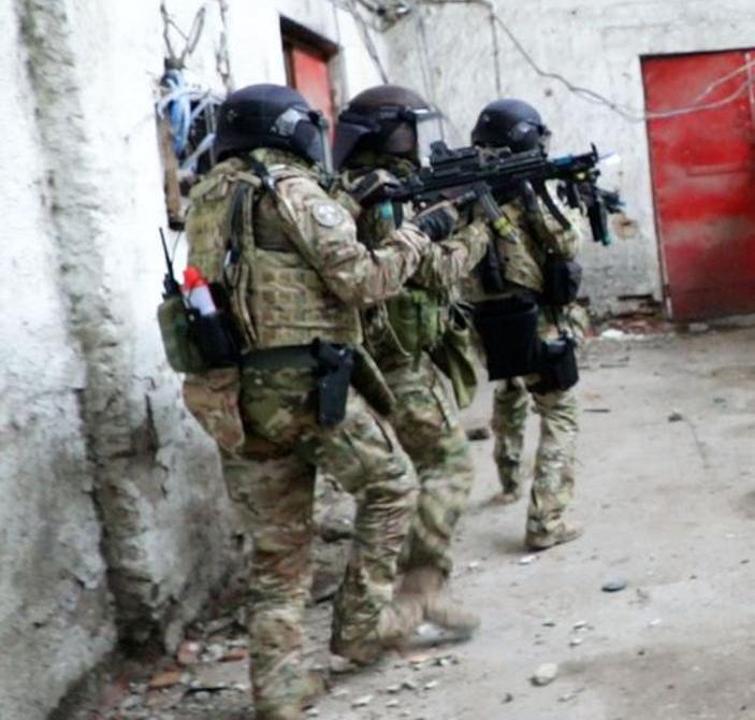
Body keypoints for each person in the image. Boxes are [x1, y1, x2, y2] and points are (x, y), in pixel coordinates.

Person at [177, 83, 440, 720]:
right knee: (392, 485)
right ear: (289, 129)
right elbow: (363, 281)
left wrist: (348, 203)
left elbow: (270, 258)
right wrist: (417, 235)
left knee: (279, 548)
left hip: (232, 392)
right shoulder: (290, 188)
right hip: (302, 385)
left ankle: (279, 689)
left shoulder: (209, 195)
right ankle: (361, 628)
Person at [333, 85, 489, 629]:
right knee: (448, 465)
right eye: (406, 129)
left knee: (409, 471)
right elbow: (432, 270)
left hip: (381, 358)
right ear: (386, 133)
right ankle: (419, 590)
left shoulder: (358, 189)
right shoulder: (382, 196)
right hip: (395, 362)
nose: (414, 140)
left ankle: (400, 585)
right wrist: (476, 234)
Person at [467, 98, 586, 551]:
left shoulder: (466, 190)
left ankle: (509, 478)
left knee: (511, 387)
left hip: (487, 321)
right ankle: (546, 521)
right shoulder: (526, 190)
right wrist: (540, 196)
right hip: (532, 318)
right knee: (559, 410)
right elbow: (566, 243)